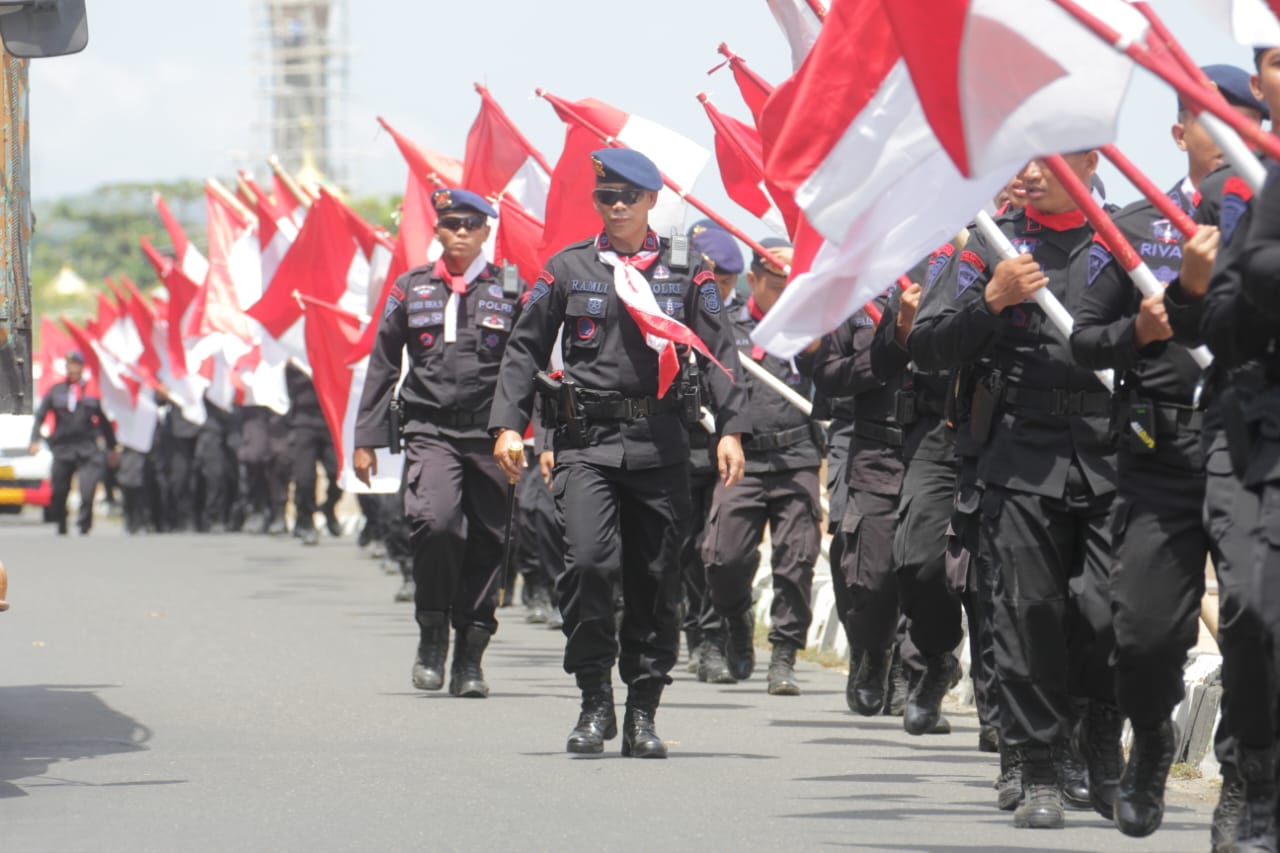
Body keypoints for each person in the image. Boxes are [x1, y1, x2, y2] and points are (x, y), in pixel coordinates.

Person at [489, 148, 749, 757]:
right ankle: (593, 697)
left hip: (660, 446)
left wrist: (731, 428)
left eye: (629, 196)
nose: (619, 206)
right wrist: (507, 425)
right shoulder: (568, 267)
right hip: (587, 445)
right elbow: (525, 349)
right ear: (597, 202)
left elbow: (720, 351)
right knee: (589, 566)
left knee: (656, 580)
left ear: (652, 200)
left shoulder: (687, 272)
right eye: (607, 196)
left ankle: (642, 710)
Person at [1070, 63, 1265, 840]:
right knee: (1143, 630)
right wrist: (1146, 327)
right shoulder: (1137, 224)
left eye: (1241, 118)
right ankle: (1149, 736)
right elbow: (1085, 338)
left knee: (1255, 617)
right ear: (1181, 131)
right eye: (1207, 118)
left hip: (1249, 447)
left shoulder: (1268, 216)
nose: (1226, 134)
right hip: (1159, 452)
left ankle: (1245, 783)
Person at [910, 153, 1119, 830]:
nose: (1028, 171)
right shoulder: (989, 245)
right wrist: (992, 300)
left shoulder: (1124, 242)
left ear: (1088, 160)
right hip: (1019, 453)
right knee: (1027, 611)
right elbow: (929, 343)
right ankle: (1035, 765)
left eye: (1048, 156)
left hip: (1110, 455)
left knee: (1106, 614)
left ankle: (1093, 739)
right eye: (1019, 157)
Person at [354, 187, 523, 700]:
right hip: (429, 429)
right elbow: (382, 364)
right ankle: (432, 635)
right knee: (436, 523)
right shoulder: (412, 289)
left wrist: (546, 437)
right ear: (437, 230)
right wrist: (366, 439)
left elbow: (531, 368)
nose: (461, 234)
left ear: (487, 230)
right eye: (451, 224)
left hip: (492, 437)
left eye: (471, 225)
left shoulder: (512, 291)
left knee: (489, 541)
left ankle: (470, 656)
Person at [1196, 45, 1280, 853]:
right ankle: (1257, 777)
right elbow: (1217, 320)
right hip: (1260, 432)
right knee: (1255, 608)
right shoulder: (1253, 190)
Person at [701, 238, 822, 696]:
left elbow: (836, 382)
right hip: (743, 460)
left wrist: (817, 352)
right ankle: (735, 616)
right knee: (722, 556)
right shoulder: (725, 326)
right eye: (775, 285)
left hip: (797, 457)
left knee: (797, 558)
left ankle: (785, 654)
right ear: (752, 280)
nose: (784, 293)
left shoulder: (811, 328)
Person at [29, 350, 118, 535]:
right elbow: (40, 416)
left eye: (76, 365)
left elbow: (104, 423)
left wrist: (112, 448)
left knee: (87, 491)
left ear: (82, 368)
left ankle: (84, 525)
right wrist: (34, 440)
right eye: (69, 365)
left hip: (87, 449)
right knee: (59, 491)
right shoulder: (56, 391)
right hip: (63, 448)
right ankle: (61, 523)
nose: (72, 369)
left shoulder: (91, 393)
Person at [287, 364, 342, 546]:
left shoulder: (329, 351)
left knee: (338, 474)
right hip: (303, 423)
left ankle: (329, 507)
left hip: (331, 421)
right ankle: (306, 521)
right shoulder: (295, 356)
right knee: (304, 478)